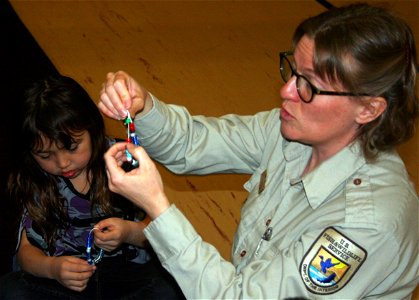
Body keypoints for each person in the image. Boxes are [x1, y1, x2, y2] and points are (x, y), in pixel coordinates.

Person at [99, 3, 418, 299]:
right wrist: (142, 107)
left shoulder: (365, 226)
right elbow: (190, 144)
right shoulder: (295, 131)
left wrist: (157, 206)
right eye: (293, 71)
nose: (286, 91)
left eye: (310, 85)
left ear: (368, 109)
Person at [0, 75, 184, 300]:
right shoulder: (36, 179)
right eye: (45, 155)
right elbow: (26, 253)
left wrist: (127, 232)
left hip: (128, 276)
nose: (62, 163)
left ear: (92, 127)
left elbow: (158, 229)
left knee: (173, 286)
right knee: (11, 289)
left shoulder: (123, 160)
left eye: (72, 147)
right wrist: (52, 269)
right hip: (67, 281)